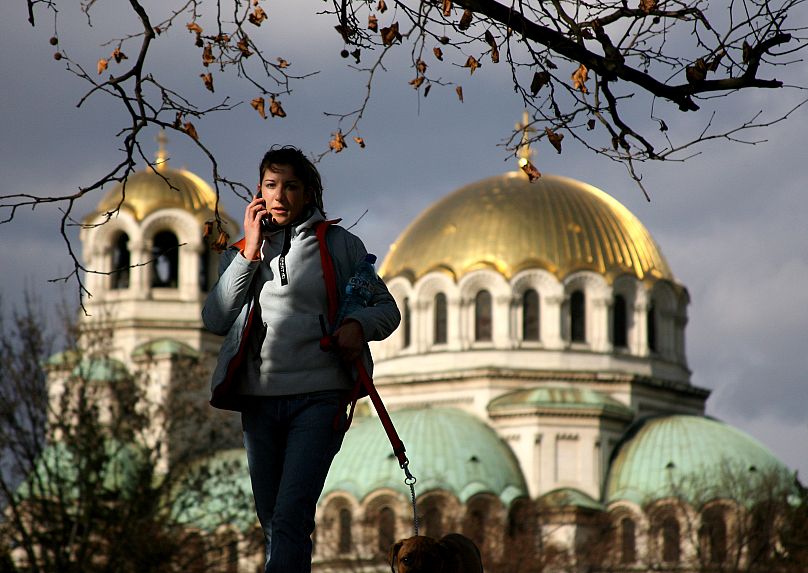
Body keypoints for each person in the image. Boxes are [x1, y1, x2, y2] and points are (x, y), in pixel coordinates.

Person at [202, 145, 400, 572]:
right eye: (271, 185)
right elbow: (216, 318)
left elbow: (387, 309)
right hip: (260, 400)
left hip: (319, 398)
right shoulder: (241, 251)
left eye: (291, 186)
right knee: (273, 521)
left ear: (308, 192)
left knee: (291, 516)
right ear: (259, 192)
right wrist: (250, 252)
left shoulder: (340, 246)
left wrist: (357, 326)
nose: (280, 195)